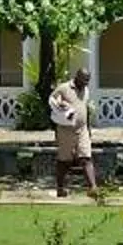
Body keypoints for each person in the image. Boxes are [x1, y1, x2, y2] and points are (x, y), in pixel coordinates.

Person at [48, 69, 97, 197]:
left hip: (82, 128)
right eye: (83, 80)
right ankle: (60, 187)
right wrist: (61, 105)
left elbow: (85, 108)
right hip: (66, 129)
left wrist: (89, 129)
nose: (85, 83)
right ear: (77, 77)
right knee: (65, 160)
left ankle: (93, 188)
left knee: (86, 157)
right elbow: (52, 102)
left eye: (87, 80)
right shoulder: (63, 88)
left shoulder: (85, 90)